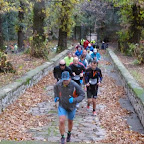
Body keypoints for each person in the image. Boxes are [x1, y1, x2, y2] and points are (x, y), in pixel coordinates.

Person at [54, 71, 85, 144]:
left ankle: (69, 133)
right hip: (62, 105)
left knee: (70, 121)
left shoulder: (74, 85)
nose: (65, 81)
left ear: (70, 78)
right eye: (64, 80)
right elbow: (55, 89)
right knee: (61, 120)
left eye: (66, 80)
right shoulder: (58, 84)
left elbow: (82, 95)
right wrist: (56, 96)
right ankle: (62, 137)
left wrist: (74, 100)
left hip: (72, 106)